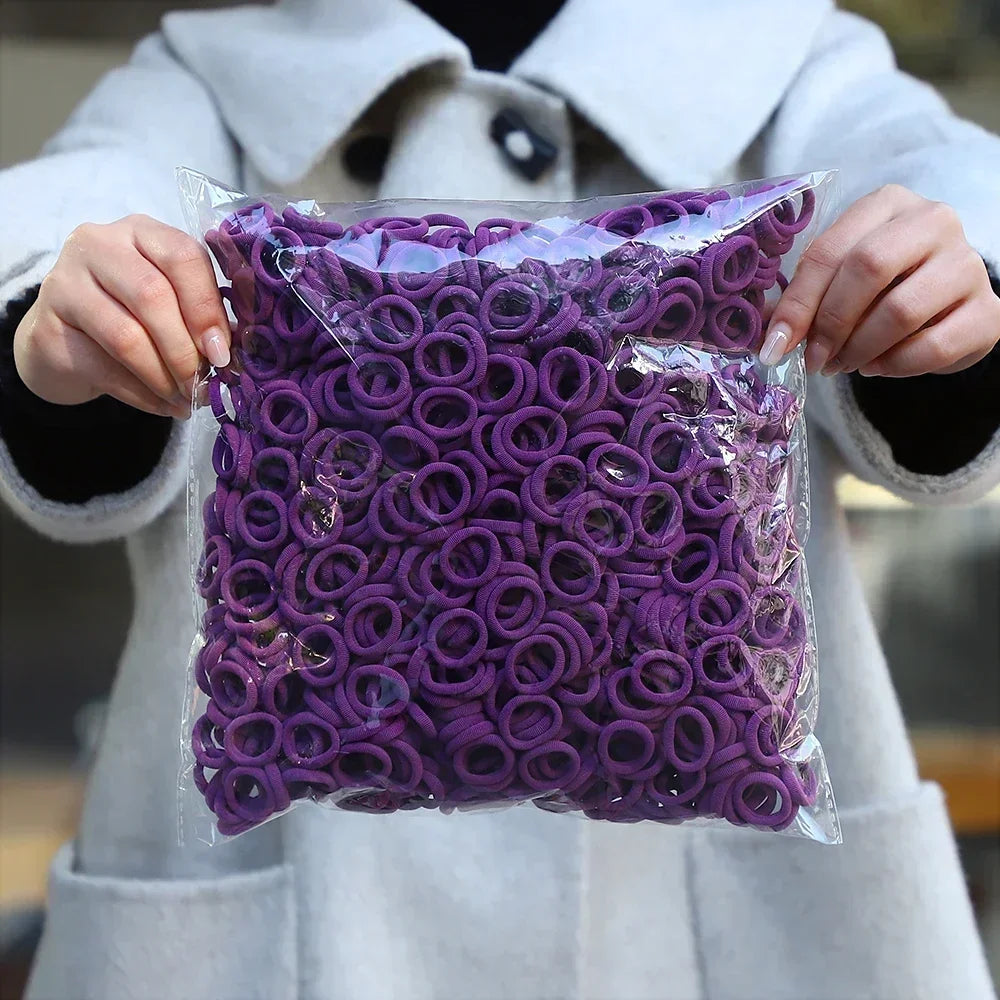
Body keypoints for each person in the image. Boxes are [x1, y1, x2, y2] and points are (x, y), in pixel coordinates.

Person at [1, 1, 999, 997]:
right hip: (281, 903)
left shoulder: (777, 60)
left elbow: (932, 177)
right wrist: (79, 318)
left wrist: (935, 299)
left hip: (717, 908)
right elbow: (86, 202)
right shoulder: (213, 76)